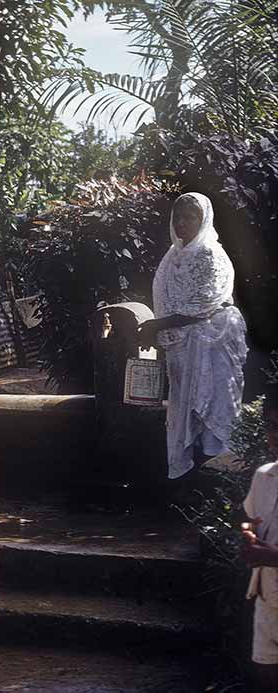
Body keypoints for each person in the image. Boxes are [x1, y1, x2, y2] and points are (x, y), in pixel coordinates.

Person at [138, 192, 248, 482]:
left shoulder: (210, 253)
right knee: (185, 415)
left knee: (210, 413)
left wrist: (156, 325)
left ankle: (217, 491)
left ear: (204, 220)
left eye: (190, 217)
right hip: (181, 348)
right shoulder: (172, 257)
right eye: (178, 217)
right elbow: (168, 300)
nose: (183, 223)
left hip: (212, 345)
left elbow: (202, 305)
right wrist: (158, 328)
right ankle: (190, 486)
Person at [240, 387, 278, 691]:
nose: (275, 435)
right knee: (265, 673)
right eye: (271, 426)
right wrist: (248, 534)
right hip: (269, 598)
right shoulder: (264, 477)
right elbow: (252, 520)